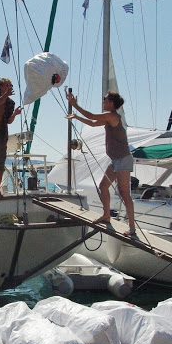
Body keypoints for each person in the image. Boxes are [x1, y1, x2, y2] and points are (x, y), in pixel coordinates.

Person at [65, 90, 136, 236]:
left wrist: (74, 105)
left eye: (105, 99)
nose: (103, 101)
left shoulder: (112, 115)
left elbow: (91, 116)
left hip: (123, 159)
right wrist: (76, 117)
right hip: (116, 160)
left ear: (111, 102)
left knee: (124, 193)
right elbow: (91, 123)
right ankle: (106, 215)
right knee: (103, 186)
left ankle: (132, 227)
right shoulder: (109, 118)